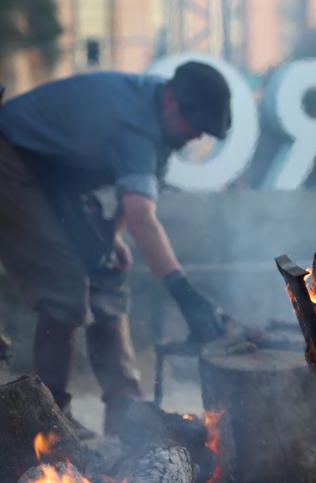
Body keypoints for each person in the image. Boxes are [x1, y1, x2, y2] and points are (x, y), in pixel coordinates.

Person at [0, 62, 230, 438]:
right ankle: (48, 422)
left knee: (107, 266)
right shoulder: (138, 124)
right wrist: (186, 295)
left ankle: (126, 408)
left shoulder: (159, 113)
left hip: (49, 174)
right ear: (172, 100)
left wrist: (110, 238)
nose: (196, 133)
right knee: (63, 284)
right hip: (9, 157)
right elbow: (143, 217)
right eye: (195, 123)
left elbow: (132, 195)